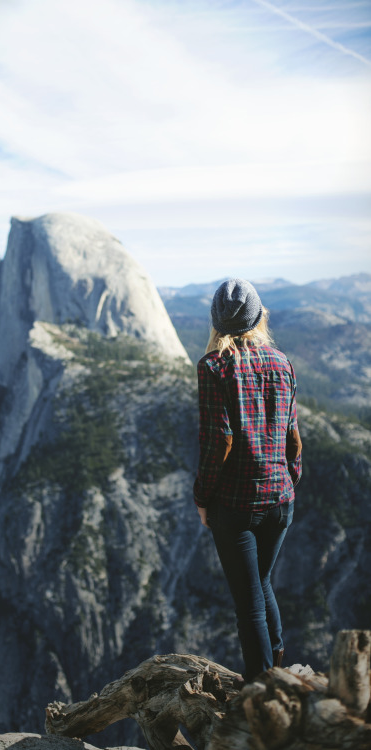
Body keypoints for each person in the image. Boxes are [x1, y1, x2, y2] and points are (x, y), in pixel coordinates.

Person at [193, 278, 302, 683]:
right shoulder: (281, 361)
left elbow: (218, 440)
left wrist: (203, 497)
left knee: (249, 604)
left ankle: (261, 693)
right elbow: (293, 436)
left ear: (216, 323)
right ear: (259, 317)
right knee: (263, 582)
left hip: (235, 506)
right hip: (280, 500)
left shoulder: (213, 366)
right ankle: (278, 670)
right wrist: (290, 482)